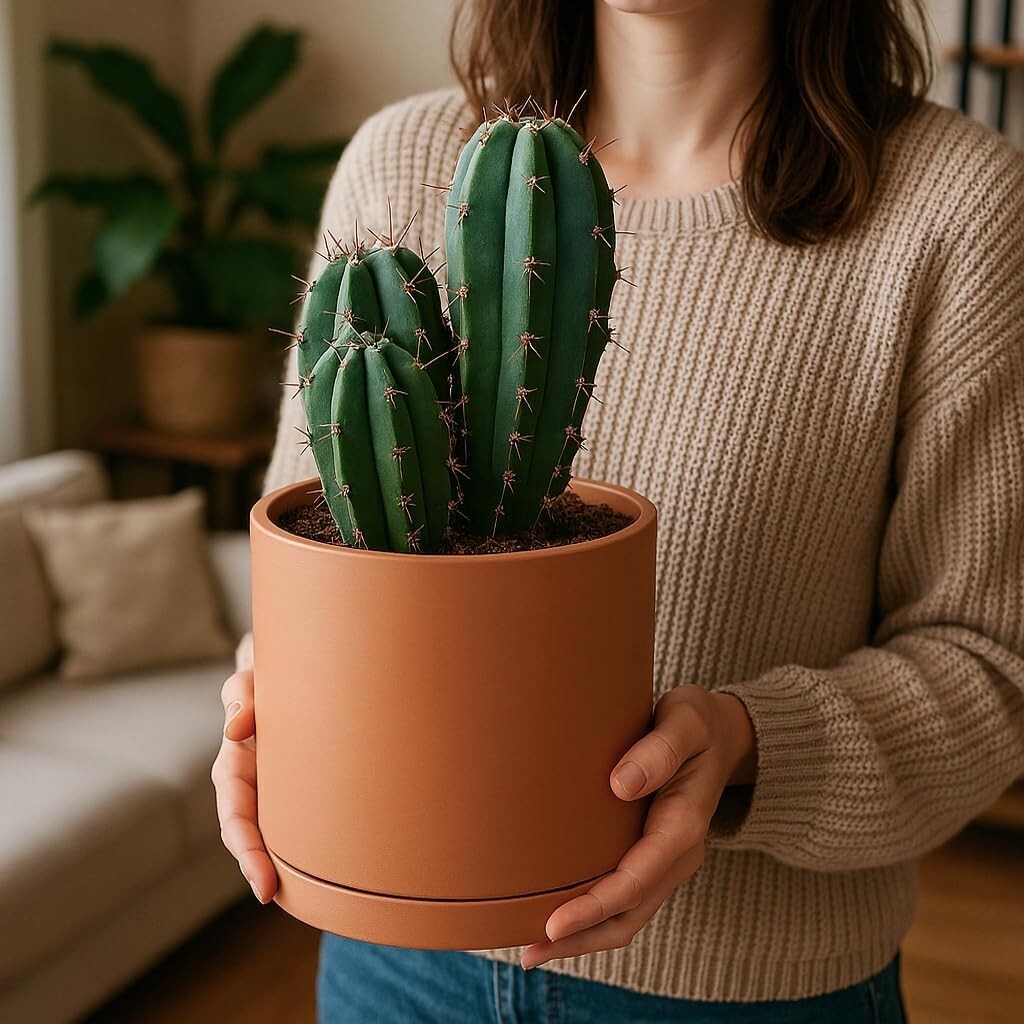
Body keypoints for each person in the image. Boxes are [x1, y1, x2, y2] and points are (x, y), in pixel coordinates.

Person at [212, 1, 1024, 1020]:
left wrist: (745, 740)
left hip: (742, 992)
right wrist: (272, 713)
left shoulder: (957, 204)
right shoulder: (400, 159)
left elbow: (992, 663)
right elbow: (312, 561)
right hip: (397, 963)